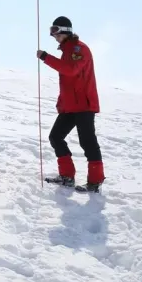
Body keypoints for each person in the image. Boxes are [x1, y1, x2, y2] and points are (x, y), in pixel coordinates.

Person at [37, 16, 104, 193]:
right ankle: (67, 176)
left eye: (56, 33)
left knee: (88, 142)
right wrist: (62, 102)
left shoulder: (79, 49)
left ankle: (95, 181)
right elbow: (68, 82)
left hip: (84, 105)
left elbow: (70, 70)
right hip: (71, 106)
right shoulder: (67, 51)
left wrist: (45, 57)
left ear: (65, 31)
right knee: (55, 137)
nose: (54, 37)